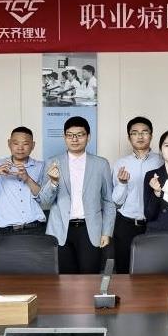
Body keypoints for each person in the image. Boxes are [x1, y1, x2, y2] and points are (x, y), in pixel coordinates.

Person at [39, 116, 115, 274]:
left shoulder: (101, 164)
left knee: (90, 278)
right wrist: (53, 182)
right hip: (60, 230)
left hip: (90, 229)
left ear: (88, 137)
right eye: (70, 135)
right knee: (64, 280)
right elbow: (45, 201)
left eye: (80, 135)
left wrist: (107, 232)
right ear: (64, 137)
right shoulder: (53, 162)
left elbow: (109, 201)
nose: (74, 139)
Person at [111, 116, 163, 273]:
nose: (140, 136)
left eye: (144, 132)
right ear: (129, 137)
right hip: (126, 224)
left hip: (154, 224)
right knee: (124, 270)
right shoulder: (121, 164)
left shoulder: (162, 161)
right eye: (135, 133)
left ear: (151, 135)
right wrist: (122, 184)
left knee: (154, 270)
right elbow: (116, 202)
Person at [0, 126, 46, 236]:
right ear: (9, 143)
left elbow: (44, 198)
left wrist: (27, 179)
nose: (20, 148)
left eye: (25, 144)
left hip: (35, 227)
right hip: (7, 230)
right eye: (16, 143)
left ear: (33, 145)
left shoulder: (41, 166)